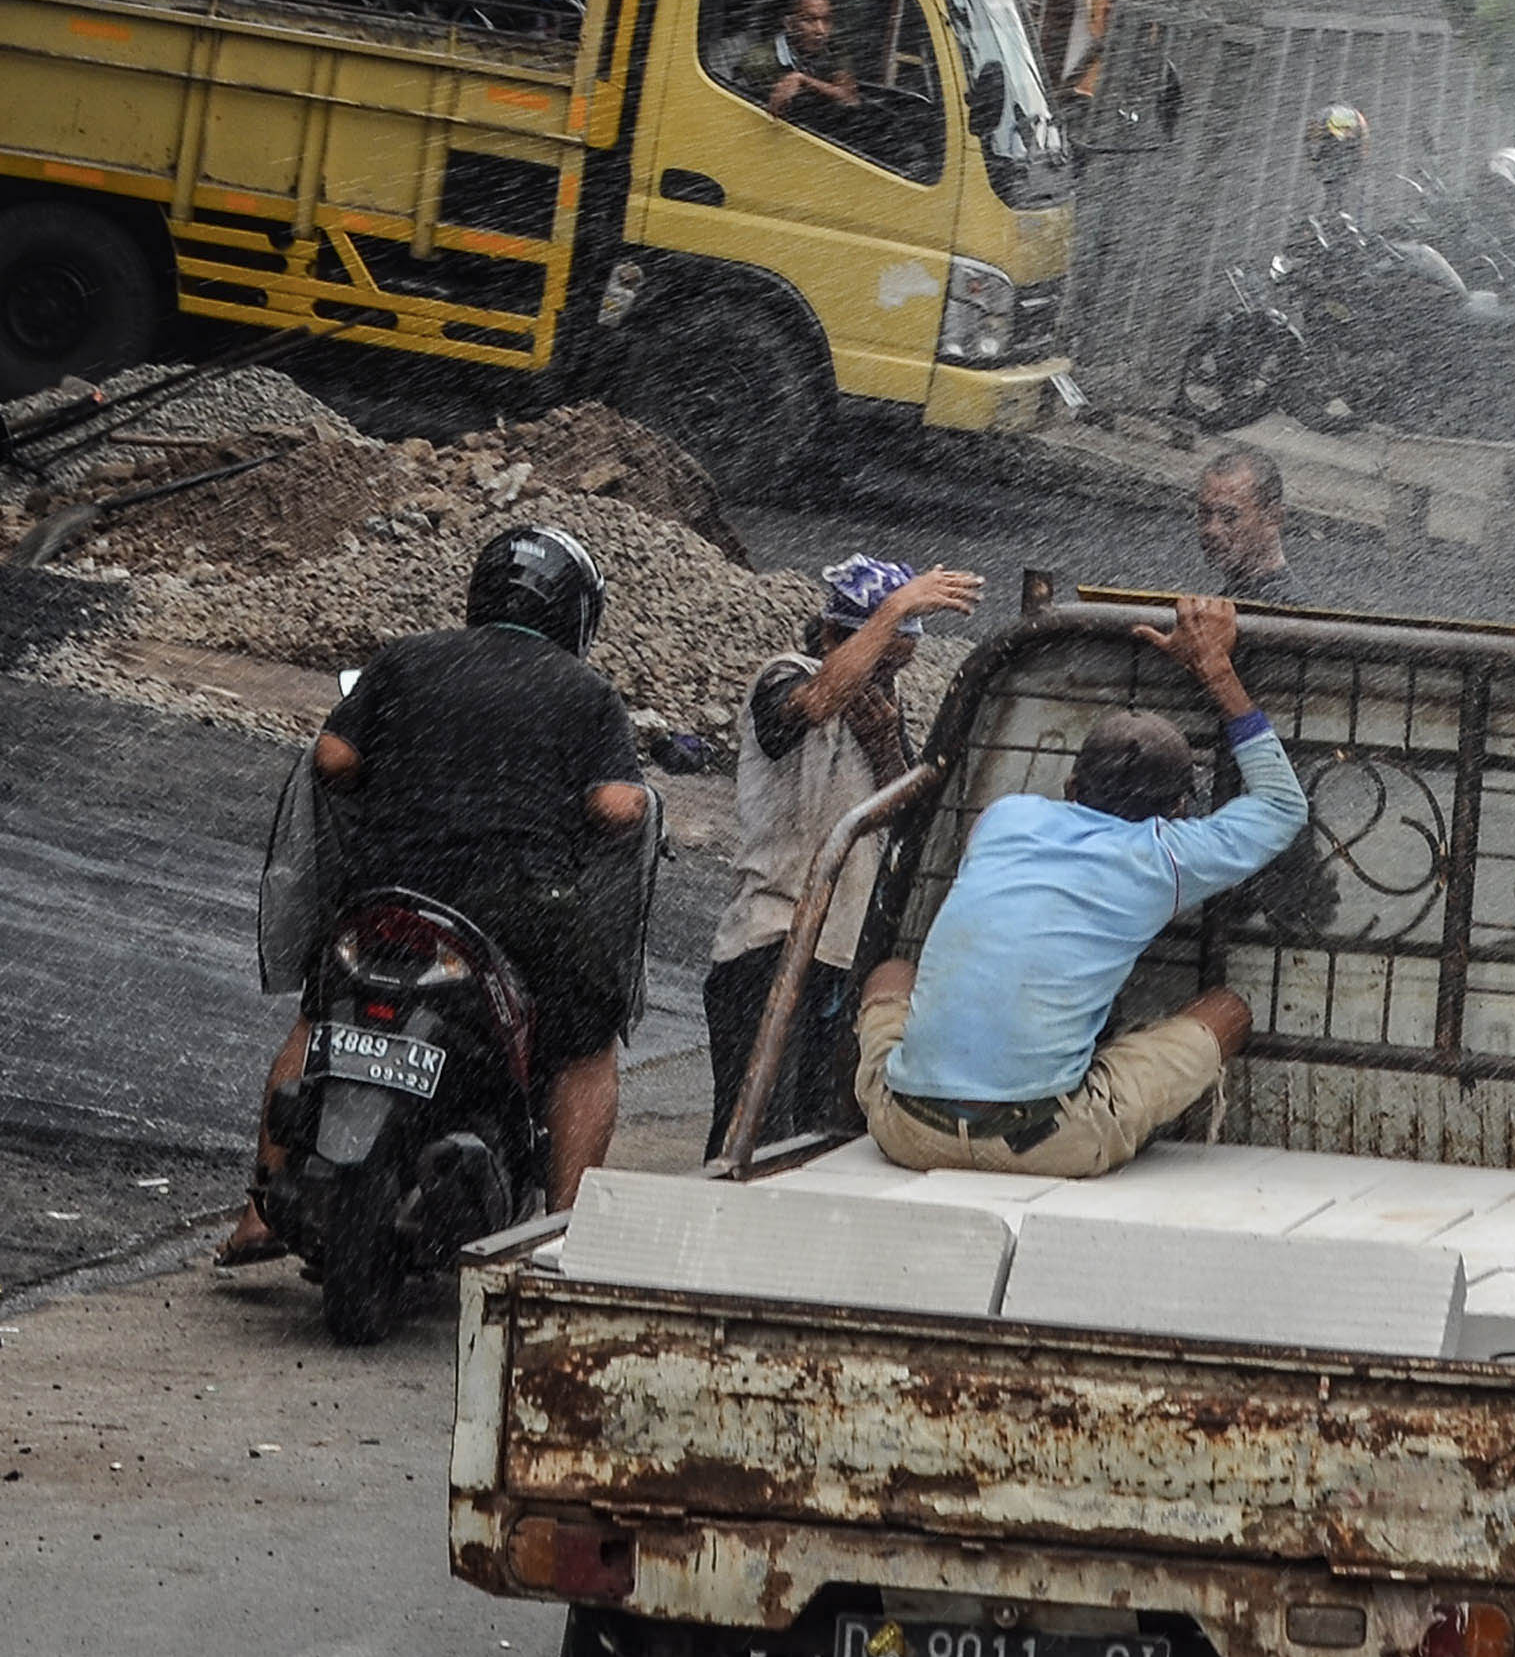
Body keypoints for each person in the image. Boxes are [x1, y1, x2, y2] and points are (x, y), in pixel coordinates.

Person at [220, 526, 652, 1259]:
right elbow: (617, 806)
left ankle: (260, 1209)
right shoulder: (586, 691)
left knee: (318, 1015)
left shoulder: (405, 657)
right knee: (588, 1044)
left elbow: (332, 757)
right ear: (575, 614)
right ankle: (563, 1232)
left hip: (387, 891)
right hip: (514, 907)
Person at [853, 596, 1306, 1178]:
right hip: (1048, 1142)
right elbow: (1280, 805)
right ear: (1178, 809)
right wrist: (1217, 671)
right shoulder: (1165, 856)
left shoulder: (1004, 819)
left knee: (890, 975)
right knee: (1226, 1010)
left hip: (909, 1133)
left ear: (1070, 785)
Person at [702, 554, 983, 1157]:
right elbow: (818, 700)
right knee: (751, 1135)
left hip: (841, 950)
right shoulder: (785, 676)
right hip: (771, 940)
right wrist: (899, 606)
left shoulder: (882, 700)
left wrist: (885, 741)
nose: (882, 679)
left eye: (894, 666)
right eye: (877, 659)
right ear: (835, 636)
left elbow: (907, 815)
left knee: (818, 1137)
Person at [1196, 446, 1298, 605]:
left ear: (1273, 517)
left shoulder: (1288, 612)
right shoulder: (1241, 598)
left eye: (1229, 516)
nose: (1211, 529)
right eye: (1205, 513)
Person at [761, 0, 864, 135]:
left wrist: (803, 81)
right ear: (789, 24)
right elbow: (769, 110)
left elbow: (850, 98)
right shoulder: (764, 59)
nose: (820, 30)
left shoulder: (834, 50)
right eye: (810, 20)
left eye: (826, 20)